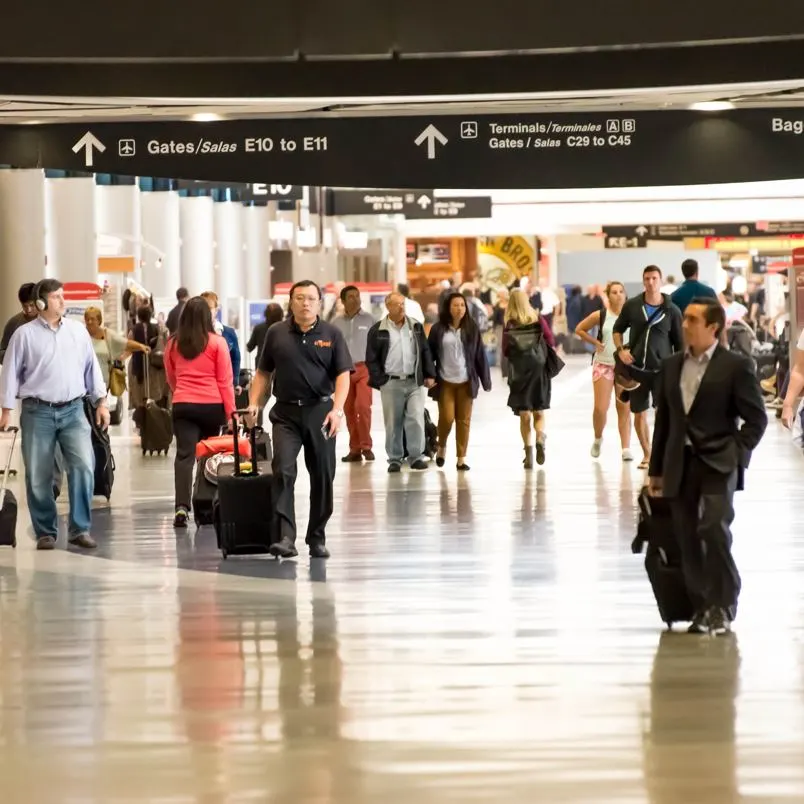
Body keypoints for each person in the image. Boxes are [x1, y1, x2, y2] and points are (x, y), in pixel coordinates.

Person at [648, 296, 767, 635]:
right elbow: (665, 422)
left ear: (713, 327)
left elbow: (756, 419)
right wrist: (655, 470)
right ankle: (703, 607)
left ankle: (724, 603)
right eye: (684, 319)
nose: (684, 324)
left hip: (719, 462)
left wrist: (737, 453)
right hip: (679, 464)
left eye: (692, 320)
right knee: (686, 537)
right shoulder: (671, 365)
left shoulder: (735, 366)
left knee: (713, 529)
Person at [245, 280, 352, 561]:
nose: (306, 303)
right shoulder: (276, 333)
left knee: (323, 475)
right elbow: (263, 373)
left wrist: (337, 410)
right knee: (283, 470)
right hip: (286, 414)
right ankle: (285, 537)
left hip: (321, 413)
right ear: (290, 302)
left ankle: (316, 537)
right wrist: (253, 403)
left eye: (311, 299)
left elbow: (343, 375)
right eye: (300, 298)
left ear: (320, 303)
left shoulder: (332, 334)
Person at [0, 279, 109, 551]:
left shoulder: (77, 332)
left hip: (73, 410)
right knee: (39, 474)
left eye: (63, 296)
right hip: (38, 412)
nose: (63, 301)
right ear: (41, 303)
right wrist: (6, 410)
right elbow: (10, 373)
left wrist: (101, 402)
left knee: (84, 466)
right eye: (57, 297)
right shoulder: (23, 335)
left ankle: (79, 528)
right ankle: (46, 531)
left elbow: (91, 368)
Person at [164, 297, 236, 528]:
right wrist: (231, 413)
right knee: (206, 456)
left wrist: (182, 393)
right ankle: (204, 505)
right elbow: (225, 381)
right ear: (208, 317)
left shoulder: (173, 344)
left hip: (183, 404)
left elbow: (170, 376)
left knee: (184, 457)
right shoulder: (217, 343)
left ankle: (181, 508)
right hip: (212, 406)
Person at [612, 266, 683, 470]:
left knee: (664, 414)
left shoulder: (672, 310)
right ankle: (647, 454)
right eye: (647, 278)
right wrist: (621, 350)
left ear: (660, 280)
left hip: (663, 371)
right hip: (636, 370)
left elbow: (680, 345)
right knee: (639, 412)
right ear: (643, 281)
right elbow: (617, 330)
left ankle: (662, 453)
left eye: (654, 278)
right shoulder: (632, 305)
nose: (650, 282)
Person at [365, 291, 436, 473]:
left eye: (403, 303)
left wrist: (429, 374)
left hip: (414, 381)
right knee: (393, 422)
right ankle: (395, 459)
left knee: (416, 418)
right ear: (388, 307)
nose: (402, 307)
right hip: (391, 382)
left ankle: (416, 456)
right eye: (397, 304)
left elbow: (425, 351)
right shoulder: (378, 330)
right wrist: (380, 379)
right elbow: (371, 358)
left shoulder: (416, 326)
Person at [427, 292, 491, 471]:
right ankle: (441, 446)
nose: (459, 309)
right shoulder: (438, 329)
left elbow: (480, 355)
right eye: (455, 305)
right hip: (445, 381)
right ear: (448, 307)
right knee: (446, 418)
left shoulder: (471, 328)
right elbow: (428, 354)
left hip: (466, 381)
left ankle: (461, 458)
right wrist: (428, 375)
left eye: (462, 305)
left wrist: (485, 380)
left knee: (464, 420)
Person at [575, 281, 633, 461]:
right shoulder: (601, 315)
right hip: (604, 364)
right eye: (614, 292)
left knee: (623, 407)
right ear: (608, 296)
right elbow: (580, 329)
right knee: (600, 408)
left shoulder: (632, 315)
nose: (618, 295)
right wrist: (595, 343)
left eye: (621, 292)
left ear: (625, 294)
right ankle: (598, 438)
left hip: (624, 366)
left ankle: (626, 448)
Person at [503, 289, 556, 468]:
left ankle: (528, 453)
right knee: (539, 410)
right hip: (539, 371)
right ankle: (540, 436)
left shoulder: (510, 324)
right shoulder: (537, 319)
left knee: (524, 414)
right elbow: (550, 340)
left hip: (520, 373)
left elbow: (505, 350)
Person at [332, 285, 375, 463]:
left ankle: (366, 446)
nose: (355, 299)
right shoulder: (335, 323)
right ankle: (354, 449)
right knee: (348, 411)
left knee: (362, 407)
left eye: (357, 296)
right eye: (351, 297)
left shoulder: (370, 319)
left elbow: (378, 345)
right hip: (344, 371)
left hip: (364, 368)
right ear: (343, 301)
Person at [84, 306, 150, 389]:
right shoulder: (81, 335)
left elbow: (125, 343)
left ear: (99, 320)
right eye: (87, 319)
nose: (89, 322)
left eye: (92, 319)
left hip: (103, 383)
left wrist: (140, 346)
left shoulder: (107, 334)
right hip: (85, 384)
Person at [129, 306, 169, 411]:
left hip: (138, 366)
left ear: (139, 316)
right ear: (150, 315)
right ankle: (155, 413)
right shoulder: (158, 328)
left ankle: (141, 413)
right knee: (154, 391)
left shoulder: (134, 329)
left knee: (140, 392)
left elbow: (129, 345)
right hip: (154, 366)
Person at [200, 292, 241, 392]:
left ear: (216, 309)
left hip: (224, 386)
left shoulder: (228, 333)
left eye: (209, 308)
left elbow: (235, 359)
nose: (206, 312)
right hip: (201, 386)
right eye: (203, 308)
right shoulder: (193, 333)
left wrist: (235, 382)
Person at [0, 282, 37, 364]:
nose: (28, 310)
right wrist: (17, 355)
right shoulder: (13, 323)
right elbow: (1, 353)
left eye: (32, 305)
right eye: (24, 306)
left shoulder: (49, 321)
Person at [246, 302, 283, 368]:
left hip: (262, 364)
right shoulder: (286, 328)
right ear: (281, 314)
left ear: (266, 314)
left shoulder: (259, 328)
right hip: (280, 363)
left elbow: (249, 347)